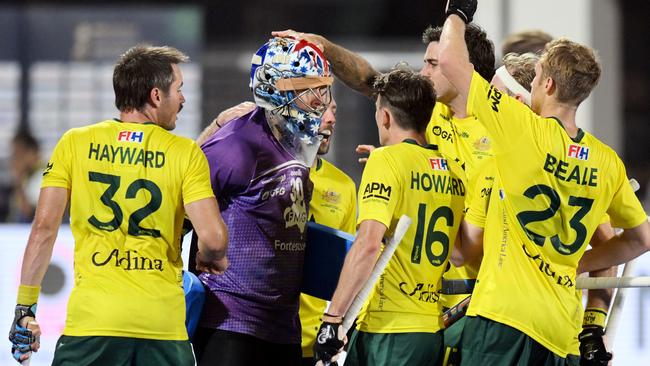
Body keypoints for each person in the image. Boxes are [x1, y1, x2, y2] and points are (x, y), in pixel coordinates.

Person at [438, 1, 650, 364]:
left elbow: (451, 63)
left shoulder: (520, 129)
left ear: (547, 84)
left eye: (534, 77)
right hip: (561, 327)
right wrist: (575, 264)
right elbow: (641, 239)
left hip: (502, 318)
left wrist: (456, 12)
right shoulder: (607, 161)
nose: (532, 84)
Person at [272, 26, 495, 364]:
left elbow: (369, 243)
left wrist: (333, 319)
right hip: (431, 318)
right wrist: (325, 47)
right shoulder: (434, 128)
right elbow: (374, 83)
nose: (425, 72)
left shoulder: (498, 133)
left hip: (442, 317)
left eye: (434, 63)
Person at [7, 45, 229, 366]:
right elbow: (213, 239)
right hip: (162, 329)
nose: (183, 99)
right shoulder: (185, 154)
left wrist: (25, 308)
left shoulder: (74, 142)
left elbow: (43, 230)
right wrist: (212, 258)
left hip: (92, 324)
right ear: (156, 95)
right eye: (179, 90)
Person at [190, 37, 333, 366]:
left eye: (324, 88)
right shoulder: (235, 144)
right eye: (309, 87)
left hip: (283, 324)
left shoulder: (297, 140)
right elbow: (181, 205)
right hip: (231, 320)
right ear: (275, 88)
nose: (319, 100)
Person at [313, 68, 466, 366]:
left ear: (385, 117)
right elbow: (459, 254)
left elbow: (369, 244)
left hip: (389, 329)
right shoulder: (454, 170)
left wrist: (333, 318)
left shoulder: (384, 160)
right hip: (430, 330)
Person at [9, 129, 43, 222]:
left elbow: (28, 213)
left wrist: (18, 179)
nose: (15, 159)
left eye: (18, 153)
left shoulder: (43, 176)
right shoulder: (28, 175)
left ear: (32, 153)